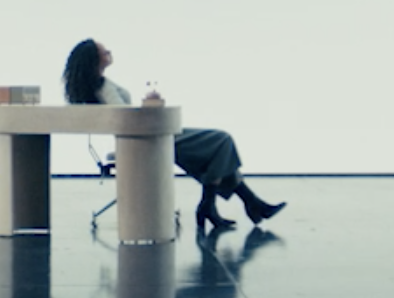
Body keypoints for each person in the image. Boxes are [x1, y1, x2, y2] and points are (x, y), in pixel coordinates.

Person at [62, 38, 286, 232]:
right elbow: (125, 116)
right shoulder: (103, 86)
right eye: (105, 51)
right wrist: (150, 105)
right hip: (147, 138)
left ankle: (236, 205)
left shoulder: (96, 85)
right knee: (222, 141)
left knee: (216, 152)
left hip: (146, 135)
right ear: (95, 59)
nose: (109, 53)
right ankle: (218, 205)